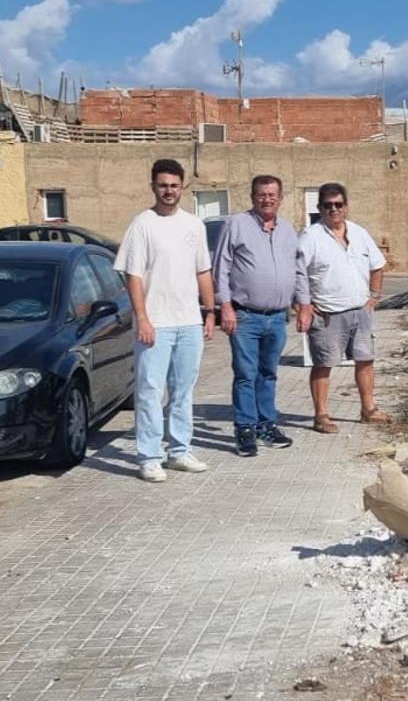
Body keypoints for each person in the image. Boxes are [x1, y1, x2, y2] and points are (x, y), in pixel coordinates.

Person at [114, 158, 216, 482]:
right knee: (150, 390)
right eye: (163, 185)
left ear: (182, 187)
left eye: (174, 185)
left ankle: (180, 452)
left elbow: (203, 271)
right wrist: (142, 318)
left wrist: (209, 311)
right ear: (153, 187)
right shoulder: (142, 224)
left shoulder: (194, 225)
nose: (168, 191)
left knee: (183, 390)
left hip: (188, 321)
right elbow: (133, 276)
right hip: (155, 323)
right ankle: (149, 457)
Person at [294, 182, 389, 434]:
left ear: (346, 206)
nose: (333, 209)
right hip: (327, 314)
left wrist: (374, 296)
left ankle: (368, 409)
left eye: (338, 204)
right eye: (328, 205)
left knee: (365, 360)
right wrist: (303, 304)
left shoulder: (359, 233)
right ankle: (321, 415)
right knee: (323, 363)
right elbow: (295, 273)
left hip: (360, 311)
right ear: (319, 208)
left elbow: (378, 265)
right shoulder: (310, 237)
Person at [213, 175, 296, 457]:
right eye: (261, 194)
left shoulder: (288, 230)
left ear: (280, 198)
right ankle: (245, 429)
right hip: (245, 316)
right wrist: (225, 306)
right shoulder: (236, 224)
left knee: (268, 373)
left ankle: (266, 426)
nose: (267, 199)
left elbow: (297, 270)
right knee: (246, 375)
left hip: (277, 317)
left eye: (272, 195)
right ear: (252, 197)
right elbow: (221, 268)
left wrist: (304, 303)